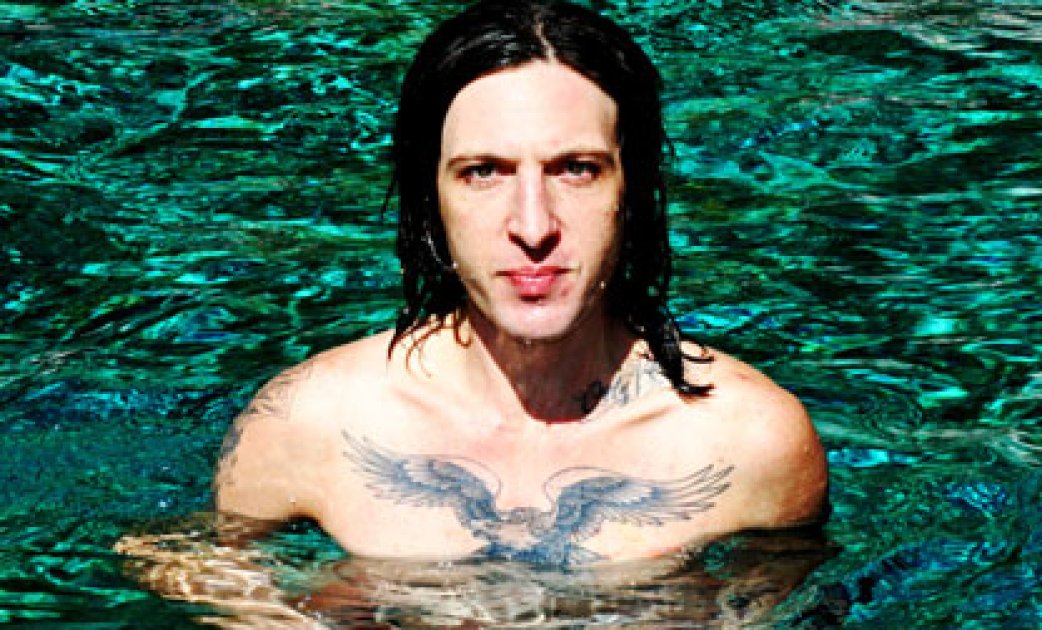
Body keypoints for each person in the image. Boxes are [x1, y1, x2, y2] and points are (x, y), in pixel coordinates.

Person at [214, 0, 827, 566]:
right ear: (431, 200)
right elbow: (209, 578)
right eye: (484, 172)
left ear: (632, 192)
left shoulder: (750, 445)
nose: (533, 227)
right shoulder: (307, 424)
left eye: (576, 170)